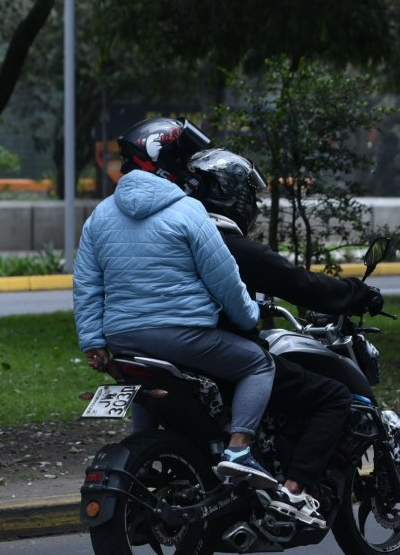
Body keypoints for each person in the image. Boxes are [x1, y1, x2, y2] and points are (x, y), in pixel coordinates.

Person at [185, 148, 385, 528]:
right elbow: (300, 283)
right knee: (331, 396)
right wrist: (357, 293)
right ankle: (294, 492)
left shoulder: (175, 239)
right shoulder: (228, 245)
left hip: (157, 349)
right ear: (236, 197)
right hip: (216, 353)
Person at [72, 119, 276, 488]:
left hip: (122, 340)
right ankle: (239, 451)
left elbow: (87, 283)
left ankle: (143, 462)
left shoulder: (99, 216)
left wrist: (93, 342)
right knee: (258, 364)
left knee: (142, 382)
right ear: (167, 162)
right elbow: (224, 279)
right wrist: (248, 318)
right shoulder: (188, 211)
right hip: (183, 336)